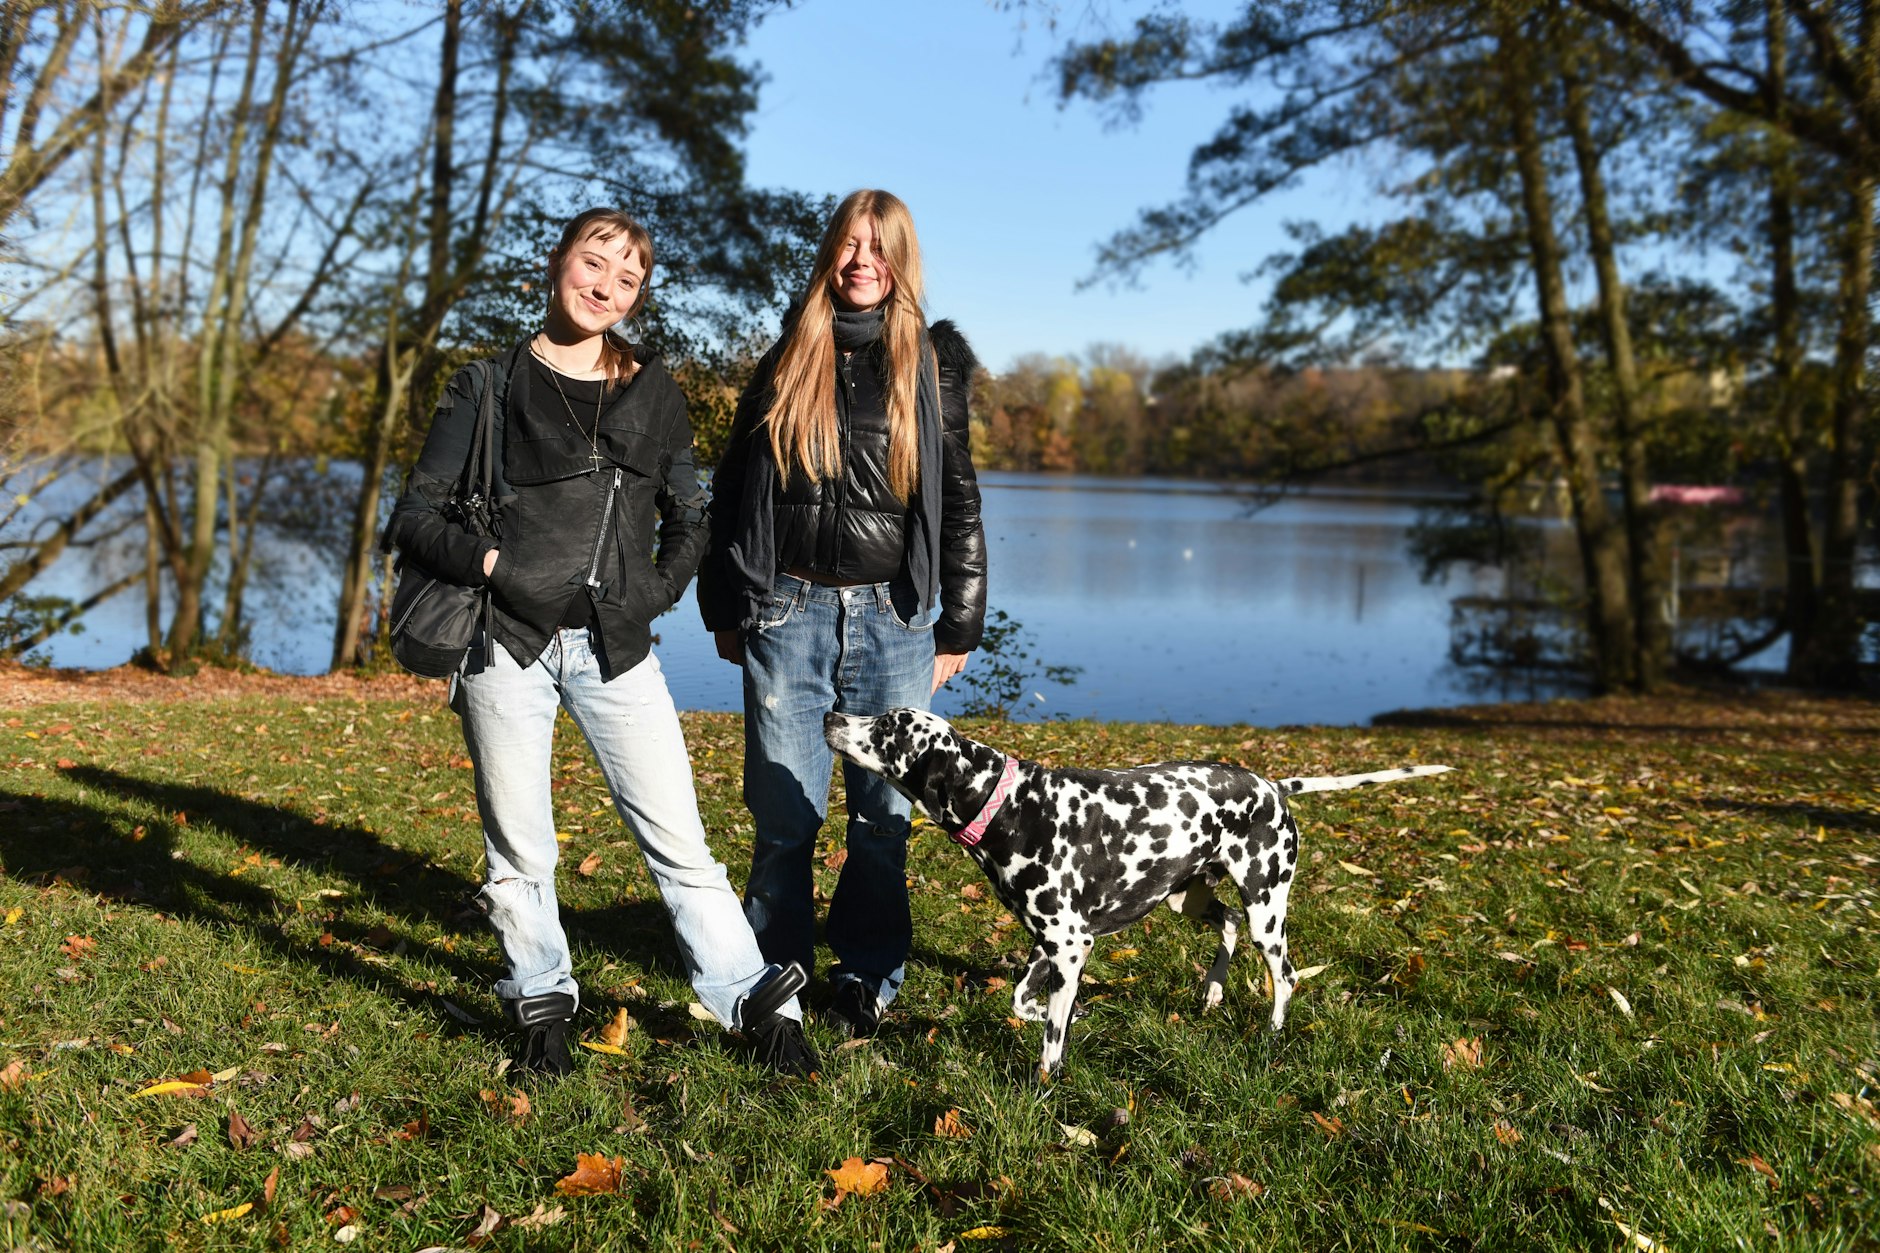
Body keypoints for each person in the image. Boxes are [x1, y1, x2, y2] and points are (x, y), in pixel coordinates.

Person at [385, 208, 817, 1078]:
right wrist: (498, 562)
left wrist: (655, 590)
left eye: (626, 279)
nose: (605, 286)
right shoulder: (486, 383)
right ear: (559, 264)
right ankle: (543, 1002)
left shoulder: (653, 392)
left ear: (636, 297)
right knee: (519, 848)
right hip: (505, 643)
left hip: (618, 651)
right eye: (594, 263)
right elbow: (414, 515)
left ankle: (753, 1002)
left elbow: (691, 514)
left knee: (681, 841)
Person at [697, 189, 987, 1036]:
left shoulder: (932, 367)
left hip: (894, 617)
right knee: (784, 816)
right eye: (850, 245)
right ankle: (772, 975)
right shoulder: (790, 354)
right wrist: (723, 598)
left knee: (883, 816)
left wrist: (959, 619)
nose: (863, 260)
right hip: (786, 609)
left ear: (901, 262)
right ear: (830, 254)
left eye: (879, 247)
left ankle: (866, 974)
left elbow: (959, 498)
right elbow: (732, 487)